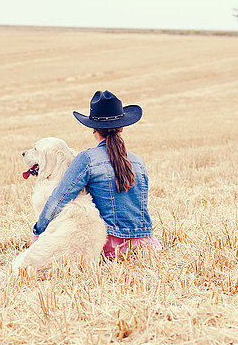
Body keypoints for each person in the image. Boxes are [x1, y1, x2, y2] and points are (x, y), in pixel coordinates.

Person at [33, 90, 162, 257]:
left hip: (109, 246)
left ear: (93, 128)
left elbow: (58, 200)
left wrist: (38, 231)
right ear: (122, 127)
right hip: (145, 244)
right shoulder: (138, 161)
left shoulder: (86, 159)